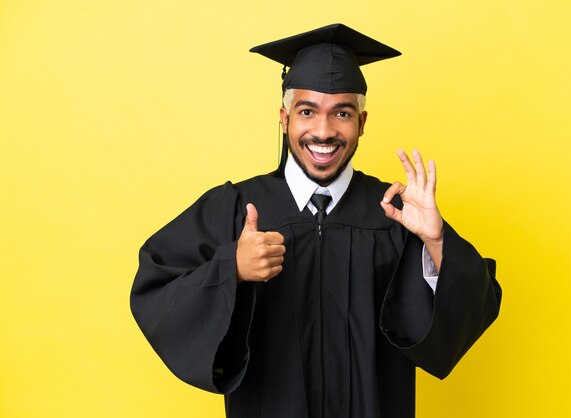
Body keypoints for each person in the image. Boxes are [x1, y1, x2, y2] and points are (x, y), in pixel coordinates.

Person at [130, 23, 502, 418]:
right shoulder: (237, 207)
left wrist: (437, 241)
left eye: (341, 113)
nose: (323, 131)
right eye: (307, 112)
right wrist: (231, 268)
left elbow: (471, 309)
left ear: (361, 122)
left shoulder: (395, 214)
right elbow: (155, 290)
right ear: (284, 118)